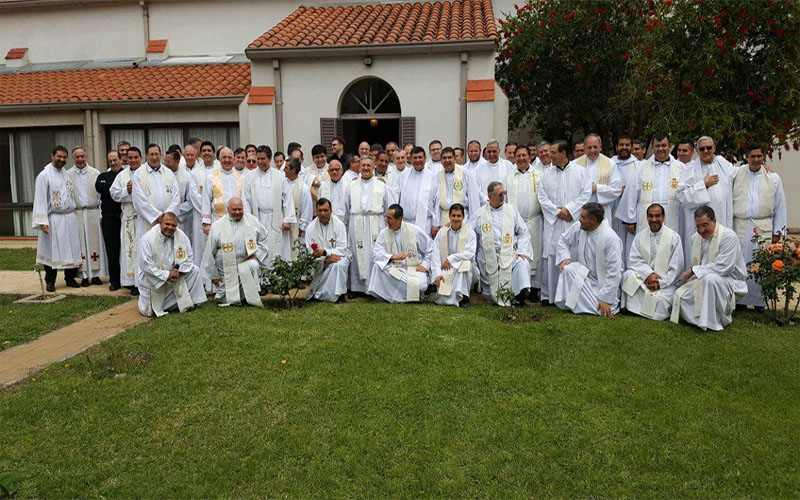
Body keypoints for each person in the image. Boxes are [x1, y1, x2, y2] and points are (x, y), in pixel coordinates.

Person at [671, 206, 747, 331]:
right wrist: (694, 273)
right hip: (703, 277)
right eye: (698, 226)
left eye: (705, 225)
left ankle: (713, 323)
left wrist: (693, 270)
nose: (701, 230)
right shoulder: (695, 238)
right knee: (680, 295)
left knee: (710, 280)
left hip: (730, 281)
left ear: (714, 221)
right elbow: (701, 265)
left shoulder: (728, 236)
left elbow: (724, 267)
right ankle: (698, 319)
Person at [732, 145, 787, 309]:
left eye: (759, 156)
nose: (756, 159)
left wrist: (778, 231)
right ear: (746, 157)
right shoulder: (736, 174)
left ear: (763, 157)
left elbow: (780, 205)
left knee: (761, 262)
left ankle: (759, 302)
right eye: (752, 156)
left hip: (763, 226)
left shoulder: (773, 177)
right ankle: (740, 300)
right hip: (740, 225)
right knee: (740, 263)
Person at [538, 140, 592, 305]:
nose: (549, 155)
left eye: (553, 152)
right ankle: (550, 295)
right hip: (554, 222)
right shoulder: (547, 174)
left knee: (571, 255)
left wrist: (569, 210)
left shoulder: (581, 172)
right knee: (552, 254)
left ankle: (570, 296)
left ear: (563, 153)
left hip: (572, 222)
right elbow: (542, 197)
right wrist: (557, 212)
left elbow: (586, 194)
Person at [616, 133, 684, 255]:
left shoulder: (680, 168)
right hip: (646, 216)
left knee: (670, 248)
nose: (661, 149)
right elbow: (631, 193)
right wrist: (630, 220)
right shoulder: (642, 167)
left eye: (664, 145)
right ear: (653, 148)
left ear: (670, 147)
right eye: (657, 146)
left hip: (673, 215)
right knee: (647, 250)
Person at [554, 202, 623, 316]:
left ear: (593, 220)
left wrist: (605, 299)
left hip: (603, 283)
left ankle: (600, 305)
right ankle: (589, 305)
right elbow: (563, 241)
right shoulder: (579, 227)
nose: (579, 219)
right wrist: (565, 257)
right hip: (586, 278)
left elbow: (614, 272)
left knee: (605, 307)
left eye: (583, 217)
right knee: (568, 269)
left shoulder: (610, 238)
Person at [472, 182, 533, 306]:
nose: (503, 196)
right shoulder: (480, 214)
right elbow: (470, 234)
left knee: (522, 263)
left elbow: (523, 232)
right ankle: (494, 295)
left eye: (504, 193)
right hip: (488, 256)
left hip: (509, 253)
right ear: (490, 196)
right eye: (500, 194)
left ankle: (519, 296)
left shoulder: (511, 211)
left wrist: (521, 251)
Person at [676, 135, 736, 260]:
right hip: (699, 227)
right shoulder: (690, 169)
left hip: (722, 221)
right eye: (702, 149)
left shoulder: (722, 163)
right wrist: (703, 184)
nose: (706, 151)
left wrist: (760, 167)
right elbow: (682, 196)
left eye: (709, 148)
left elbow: (740, 174)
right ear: (697, 151)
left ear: (714, 148)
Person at [136, 212, 206, 317]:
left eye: (173, 225)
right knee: (147, 311)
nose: (170, 227)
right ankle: (164, 305)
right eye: (167, 224)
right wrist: (166, 275)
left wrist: (177, 271)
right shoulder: (147, 239)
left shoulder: (181, 236)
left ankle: (191, 301)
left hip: (175, 275)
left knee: (194, 270)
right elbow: (146, 265)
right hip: (153, 277)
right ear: (160, 222)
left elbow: (189, 258)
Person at [621, 203, 684, 320]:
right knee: (627, 276)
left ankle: (639, 309)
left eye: (657, 216)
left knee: (660, 301)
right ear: (647, 218)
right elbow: (634, 260)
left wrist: (660, 283)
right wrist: (649, 275)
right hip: (645, 281)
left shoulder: (674, 238)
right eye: (650, 216)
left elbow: (677, 268)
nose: (654, 219)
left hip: (665, 284)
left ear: (663, 217)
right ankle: (633, 308)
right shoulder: (640, 236)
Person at [203, 197, 269, 307]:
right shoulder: (217, 226)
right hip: (226, 271)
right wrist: (213, 276)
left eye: (240, 209)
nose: (237, 212)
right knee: (226, 299)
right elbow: (209, 252)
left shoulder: (252, 221)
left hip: (245, 264)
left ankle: (251, 297)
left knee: (253, 265)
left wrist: (256, 255)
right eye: (234, 209)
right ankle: (234, 296)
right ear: (227, 209)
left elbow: (264, 237)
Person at [343, 156, 396, 294]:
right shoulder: (351, 185)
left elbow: (388, 206)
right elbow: (346, 208)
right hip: (357, 222)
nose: (366, 168)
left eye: (369, 166)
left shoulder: (382, 186)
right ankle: (356, 287)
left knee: (375, 253)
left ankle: (375, 287)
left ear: (374, 168)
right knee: (356, 252)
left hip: (375, 222)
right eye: (363, 166)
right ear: (359, 167)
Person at [32, 145, 82, 291]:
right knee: (51, 251)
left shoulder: (65, 173)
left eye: (64, 157)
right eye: (59, 156)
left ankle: (70, 278)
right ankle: (50, 281)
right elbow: (40, 199)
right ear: (52, 156)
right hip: (54, 218)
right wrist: (42, 221)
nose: (61, 160)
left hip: (69, 217)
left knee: (71, 249)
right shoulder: (44, 175)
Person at [368, 204, 433, 303]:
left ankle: (414, 293)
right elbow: (376, 254)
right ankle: (411, 295)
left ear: (399, 219)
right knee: (377, 267)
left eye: (389, 218)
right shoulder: (383, 233)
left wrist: (424, 266)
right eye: (386, 217)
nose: (386, 221)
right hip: (394, 268)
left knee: (421, 285)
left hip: (413, 268)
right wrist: (393, 257)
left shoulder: (414, 230)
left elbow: (430, 248)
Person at [246, 145, 296, 268]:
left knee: (278, 249)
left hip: (277, 219)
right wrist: (248, 221)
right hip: (258, 218)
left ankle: (278, 279)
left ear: (269, 159)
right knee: (261, 248)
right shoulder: (250, 176)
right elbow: (246, 200)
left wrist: (288, 220)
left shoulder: (279, 176)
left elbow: (287, 198)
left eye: (263, 159)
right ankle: (263, 280)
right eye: (258, 159)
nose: (260, 162)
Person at [506, 145, 544, 301]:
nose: (521, 158)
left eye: (524, 155)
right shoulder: (509, 176)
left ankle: (534, 289)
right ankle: (518, 287)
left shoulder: (538, 175)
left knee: (535, 253)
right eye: (518, 156)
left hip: (533, 220)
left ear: (530, 157)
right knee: (517, 254)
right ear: (514, 158)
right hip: (515, 222)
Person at [67, 146, 107, 286]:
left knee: (95, 244)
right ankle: (84, 275)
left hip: (92, 212)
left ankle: (96, 275)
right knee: (81, 245)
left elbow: (101, 195)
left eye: (82, 156)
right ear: (73, 158)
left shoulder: (95, 173)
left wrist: (101, 213)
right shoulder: (68, 174)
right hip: (77, 213)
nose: (80, 159)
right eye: (77, 157)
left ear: (86, 157)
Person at [110, 146, 143, 295]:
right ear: (126, 159)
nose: (133, 160)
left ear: (141, 158)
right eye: (130, 158)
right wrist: (126, 191)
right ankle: (133, 283)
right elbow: (114, 193)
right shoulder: (122, 175)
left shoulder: (146, 173)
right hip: (129, 218)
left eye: (136, 157)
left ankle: (144, 280)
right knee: (131, 250)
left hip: (144, 217)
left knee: (144, 249)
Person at [132, 144, 181, 242]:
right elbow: (139, 201)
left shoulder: (169, 173)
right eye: (151, 154)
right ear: (146, 156)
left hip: (168, 224)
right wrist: (157, 216)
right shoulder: (138, 174)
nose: (154, 157)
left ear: (161, 155)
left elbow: (176, 197)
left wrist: (167, 217)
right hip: (148, 222)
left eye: (157, 154)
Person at [305, 198, 350, 303]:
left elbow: (343, 248)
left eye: (326, 210)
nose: (323, 213)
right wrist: (324, 259)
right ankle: (323, 295)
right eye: (320, 210)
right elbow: (309, 251)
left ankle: (339, 294)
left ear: (331, 210)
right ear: (316, 211)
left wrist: (326, 253)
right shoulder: (311, 228)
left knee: (338, 265)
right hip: (320, 261)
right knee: (329, 265)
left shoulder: (339, 225)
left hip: (339, 256)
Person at [431, 203, 476, 307]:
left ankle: (464, 298)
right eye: (453, 215)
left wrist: (451, 259)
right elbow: (435, 255)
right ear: (449, 216)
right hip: (445, 267)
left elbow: (470, 253)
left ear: (463, 217)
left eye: (459, 216)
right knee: (442, 296)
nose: (456, 219)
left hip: (463, 268)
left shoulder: (470, 232)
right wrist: (437, 274)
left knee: (465, 264)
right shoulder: (442, 232)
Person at [572, 134, 623, 223]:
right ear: (584, 148)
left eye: (595, 147)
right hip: (580, 211)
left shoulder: (610, 164)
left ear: (600, 147)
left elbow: (617, 190)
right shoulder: (574, 165)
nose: (592, 150)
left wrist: (597, 188)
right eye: (589, 147)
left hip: (602, 211)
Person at [432, 146, 481, 233]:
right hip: (444, 220)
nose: (447, 160)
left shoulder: (465, 173)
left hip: (463, 219)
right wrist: (435, 224)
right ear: (441, 161)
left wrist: (472, 225)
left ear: (455, 159)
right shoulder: (437, 176)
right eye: (444, 158)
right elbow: (436, 202)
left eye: (450, 157)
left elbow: (473, 199)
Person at [201, 147, 248, 232]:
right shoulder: (211, 178)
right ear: (219, 159)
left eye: (229, 157)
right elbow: (206, 200)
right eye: (224, 157)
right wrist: (206, 223)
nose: (227, 160)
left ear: (233, 159)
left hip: (237, 221)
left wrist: (247, 220)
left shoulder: (241, 179)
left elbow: (244, 201)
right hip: (218, 221)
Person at [611, 135, 641, 266]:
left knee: (628, 246)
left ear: (632, 147)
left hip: (630, 215)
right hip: (611, 211)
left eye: (627, 145)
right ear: (616, 147)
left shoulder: (639, 165)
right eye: (621, 145)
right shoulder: (609, 163)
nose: (624, 148)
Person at [96, 150, 123, 291]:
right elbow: (100, 187)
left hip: (124, 219)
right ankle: (114, 281)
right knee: (112, 252)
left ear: (121, 159)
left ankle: (128, 280)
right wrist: (118, 188)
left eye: (115, 160)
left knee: (126, 251)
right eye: (110, 161)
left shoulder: (127, 174)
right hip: (109, 220)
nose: (113, 163)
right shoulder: (103, 176)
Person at [398, 146, 436, 236]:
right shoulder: (404, 175)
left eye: (420, 157)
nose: (418, 160)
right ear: (410, 159)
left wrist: (435, 224)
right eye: (415, 157)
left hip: (425, 223)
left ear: (425, 159)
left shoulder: (432, 177)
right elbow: (398, 197)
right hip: (406, 222)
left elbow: (437, 201)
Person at [284, 158, 313, 260]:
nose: (284, 169)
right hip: (284, 229)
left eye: (286, 168)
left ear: (293, 170)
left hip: (298, 231)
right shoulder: (283, 184)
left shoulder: (303, 188)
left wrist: (300, 229)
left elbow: (307, 210)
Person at [164, 149, 193, 237]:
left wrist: (174, 212)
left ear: (177, 161)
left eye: (169, 161)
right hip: (162, 217)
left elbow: (190, 201)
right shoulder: (162, 174)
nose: (166, 164)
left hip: (179, 218)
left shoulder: (187, 177)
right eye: (165, 161)